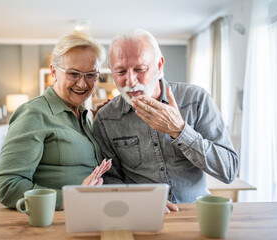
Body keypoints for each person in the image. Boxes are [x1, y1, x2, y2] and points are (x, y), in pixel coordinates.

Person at [92, 29, 239, 213]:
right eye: (120, 71)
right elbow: (109, 179)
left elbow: (229, 171)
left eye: (140, 69)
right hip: (142, 215)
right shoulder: (106, 118)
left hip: (197, 215)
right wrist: (141, 201)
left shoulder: (196, 100)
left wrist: (180, 131)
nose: (130, 80)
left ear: (159, 66)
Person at [0, 31, 111, 210]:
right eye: (73, 74)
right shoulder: (33, 113)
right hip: (55, 223)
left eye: (91, 75)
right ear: (54, 72)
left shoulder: (85, 117)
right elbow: (7, 186)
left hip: (90, 213)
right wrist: (70, 199)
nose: (82, 84)